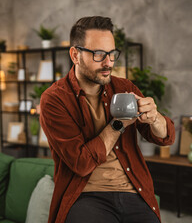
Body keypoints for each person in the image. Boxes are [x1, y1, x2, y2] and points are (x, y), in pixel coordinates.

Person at [40, 16, 175, 223]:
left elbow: (165, 138)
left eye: (112, 54)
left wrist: (155, 118)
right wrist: (118, 124)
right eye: (99, 54)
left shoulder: (124, 88)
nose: (108, 63)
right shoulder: (54, 99)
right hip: (85, 196)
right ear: (75, 55)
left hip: (133, 192)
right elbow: (81, 163)